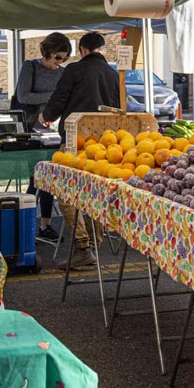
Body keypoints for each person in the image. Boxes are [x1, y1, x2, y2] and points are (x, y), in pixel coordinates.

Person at [42, 32, 120, 269]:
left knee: (66, 189)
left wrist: (45, 118)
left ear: (83, 50)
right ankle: (94, 240)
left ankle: (82, 246)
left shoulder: (74, 70)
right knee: (94, 191)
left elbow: (59, 99)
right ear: (102, 50)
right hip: (104, 146)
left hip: (75, 142)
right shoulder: (115, 74)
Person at [12, 32, 73, 242]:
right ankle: (27, 223)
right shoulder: (30, 67)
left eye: (64, 59)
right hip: (30, 130)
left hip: (53, 131)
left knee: (47, 178)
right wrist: (55, 97)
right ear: (47, 52)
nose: (59, 62)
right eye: (57, 57)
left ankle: (44, 224)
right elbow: (23, 96)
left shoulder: (63, 73)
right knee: (36, 178)